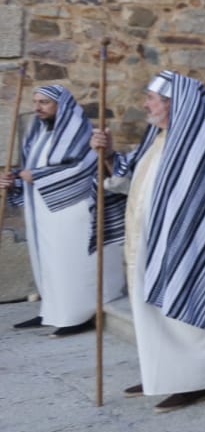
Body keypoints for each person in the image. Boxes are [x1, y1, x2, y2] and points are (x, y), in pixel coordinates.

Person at [90, 72, 205, 412]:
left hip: (189, 247)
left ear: (173, 103)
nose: (145, 103)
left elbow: (200, 205)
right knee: (151, 312)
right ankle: (162, 374)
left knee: (185, 315)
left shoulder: (200, 145)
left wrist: (179, 239)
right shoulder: (158, 138)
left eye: (151, 98)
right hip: (149, 242)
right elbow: (128, 181)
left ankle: (196, 378)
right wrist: (106, 156)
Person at [2, 86, 126, 336]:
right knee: (49, 261)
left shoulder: (82, 133)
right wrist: (13, 179)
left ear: (63, 105)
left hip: (74, 209)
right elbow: (30, 170)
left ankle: (79, 313)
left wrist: (35, 175)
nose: (37, 107)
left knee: (73, 262)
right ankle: (52, 310)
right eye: (35, 101)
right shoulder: (37, 134)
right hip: (44, 211)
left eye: (45, 102)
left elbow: (86, 167)